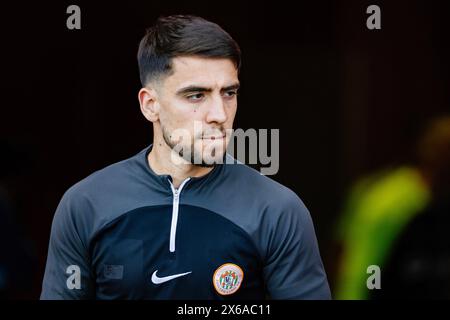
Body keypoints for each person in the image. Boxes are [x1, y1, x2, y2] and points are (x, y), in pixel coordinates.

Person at [40, 15, 330, 300]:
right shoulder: (85, 205)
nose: (219, 114)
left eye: (229, 93)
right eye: (196, 95)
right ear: (150, 105)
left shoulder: (278, 210)